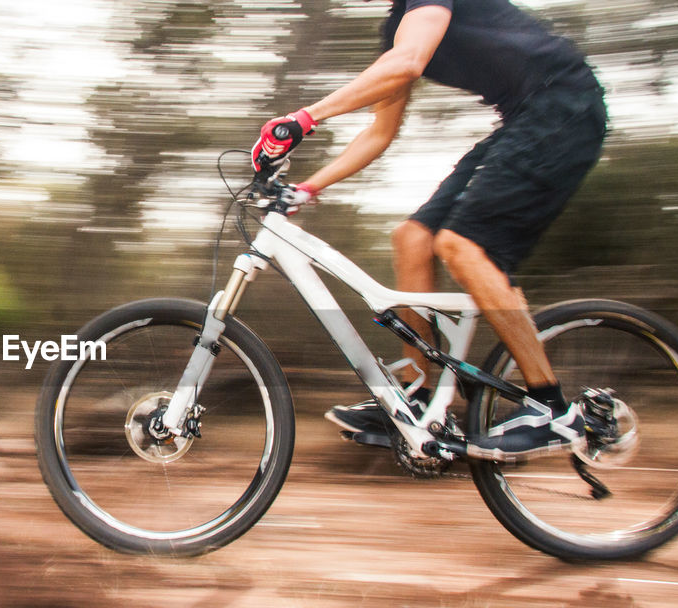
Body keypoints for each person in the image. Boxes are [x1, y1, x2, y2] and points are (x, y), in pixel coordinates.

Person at [251, 0, 607, 460]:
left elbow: (408, 63)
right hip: (525, 118)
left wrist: (304, 118)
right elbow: (380, 133)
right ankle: (417, 397)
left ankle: (554, 411)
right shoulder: (398, 27)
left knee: (463, 246)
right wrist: (307, 188)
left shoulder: (420, 14)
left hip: (565, 107)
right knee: (412, 239)